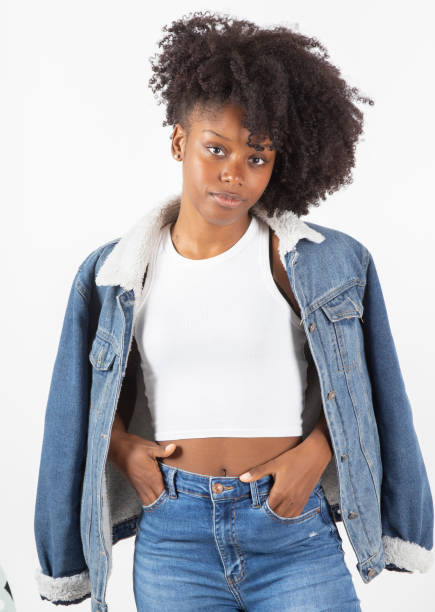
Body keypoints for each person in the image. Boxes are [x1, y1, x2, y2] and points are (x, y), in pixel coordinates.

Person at [34, 11, 433, 612]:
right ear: (178, 141)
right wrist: (122, 451)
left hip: (293, 530)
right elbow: (78, 407)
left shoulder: (324, 262)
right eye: (215, 148)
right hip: (173, 538)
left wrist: (314, 457)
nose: (234, 174)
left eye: (257, 157)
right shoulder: (116, 272)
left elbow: (372, 393)